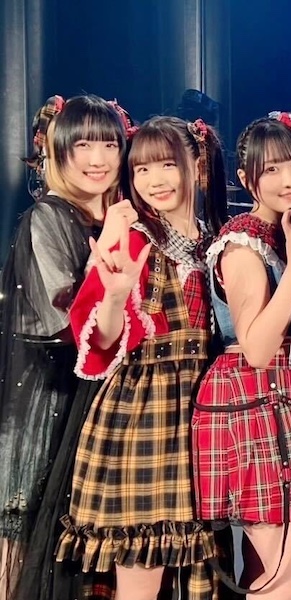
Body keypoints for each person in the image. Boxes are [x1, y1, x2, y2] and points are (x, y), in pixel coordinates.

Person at [56, 116, 228, 600]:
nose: (154, 180)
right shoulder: (132, 239)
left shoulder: (217, 238)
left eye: (167, 165)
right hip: (145, 414)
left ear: (197, 165)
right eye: (141, 170)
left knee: (201, 568)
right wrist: (114, 296)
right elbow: (103, 341)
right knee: (141, 572)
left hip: (205, 414)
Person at [0, 94, 137, 600]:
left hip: (110, 397)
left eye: (109, 145)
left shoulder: (126, 216)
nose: (98, 158)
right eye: (83, 145)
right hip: (53, 394)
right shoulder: (48, 217)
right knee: (30, 539)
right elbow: (70, 319)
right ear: (58, 151)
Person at [192, 111, 291, 599]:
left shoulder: (283, 231)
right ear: (248, 180)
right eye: (271, 169)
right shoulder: (243, 242)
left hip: (270, 397)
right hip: (248, 397)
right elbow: (257, 347)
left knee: (266, 568)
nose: (287, 179)